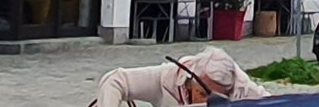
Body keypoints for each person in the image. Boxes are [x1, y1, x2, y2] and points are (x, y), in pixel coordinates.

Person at [94, 47, 267, 107]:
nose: (206, 101)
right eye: (202, 93)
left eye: (216, 97)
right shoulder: (168, 77)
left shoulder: (246, 90)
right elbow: (115, 80)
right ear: (190, 81)